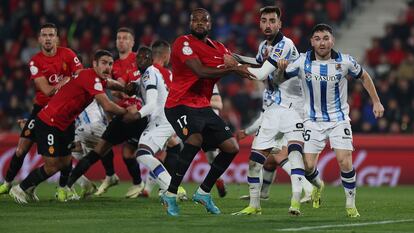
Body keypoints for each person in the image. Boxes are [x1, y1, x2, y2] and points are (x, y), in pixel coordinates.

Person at [269, 24, 383, 217]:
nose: (322, 42)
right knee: (307, 167)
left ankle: (350, 205)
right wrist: (280, 70)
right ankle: (317, 186)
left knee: (344, 161)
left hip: (338, 119)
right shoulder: (302, 60)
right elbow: (279, 81)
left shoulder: (345, 61)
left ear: (332, 40)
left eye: (326, 38)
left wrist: (376, 101)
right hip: (312, 121)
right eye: (318, 38)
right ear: (312, 42)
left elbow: (364, 76)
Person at [9, 50, 133, 204]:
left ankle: (34, 189)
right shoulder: (90, 77)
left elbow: (111, 83)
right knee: (52, 166)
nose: (108, 67)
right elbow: (107, 105)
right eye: (103, 63)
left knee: (65, 163)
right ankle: (20, 188)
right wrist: (127, 112)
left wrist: (125, 88)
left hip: (65, 124)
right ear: (94, 64)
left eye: (110, 63)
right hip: (50, 122)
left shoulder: (97, 78)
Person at [160, 8, 251, 216]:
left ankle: (203, 192)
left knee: (231, 147)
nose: (200, 23)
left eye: (204, 20)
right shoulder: (183, 43)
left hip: (202, 105)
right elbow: (200, 71)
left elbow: (239, 61)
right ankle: (171, 194)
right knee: (194, 139)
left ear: (210, 25)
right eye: (196, 20)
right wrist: (234, 69)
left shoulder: (218, 47)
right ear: (190, 23)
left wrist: (266, 63)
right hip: (178, 104)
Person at [232, 7, 314, 216]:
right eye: (264, 20)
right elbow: (259, 63)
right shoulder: (264, 46)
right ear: (259, 23)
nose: (268, 25)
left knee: (291, 154)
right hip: (275, 108)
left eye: (272, 21)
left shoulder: (284, 45)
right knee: (255, 160)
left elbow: (260, 74)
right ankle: (254, 205)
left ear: (279, 24)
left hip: (295, 108)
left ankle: (300, 196)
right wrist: (235, 57)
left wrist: (233, 67)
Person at [0, 23, 83, 200]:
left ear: (57, 38)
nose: (47, 38)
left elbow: (81, 75)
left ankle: (62, 189)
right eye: (44, 35)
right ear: (39, 39)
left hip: (63, 111)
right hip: (40, 111)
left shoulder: (68, 54)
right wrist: (67, 79)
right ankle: (7, 183)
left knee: (66, 155)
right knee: (21, 149)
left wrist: (71, 79)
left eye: (51, 35)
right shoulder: (35, 61)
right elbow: (46, 90)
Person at [94, 27, 144, 198]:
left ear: (132, 42)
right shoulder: (112, 64)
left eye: (125, 38)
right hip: (123, 113)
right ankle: (114, 176)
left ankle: (167, 185)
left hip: (141, 112)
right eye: (119, 38)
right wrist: (120, 92)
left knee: (162, 146)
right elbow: (113, 91)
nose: (121, 41)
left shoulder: (139, 60)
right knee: (107, 144)